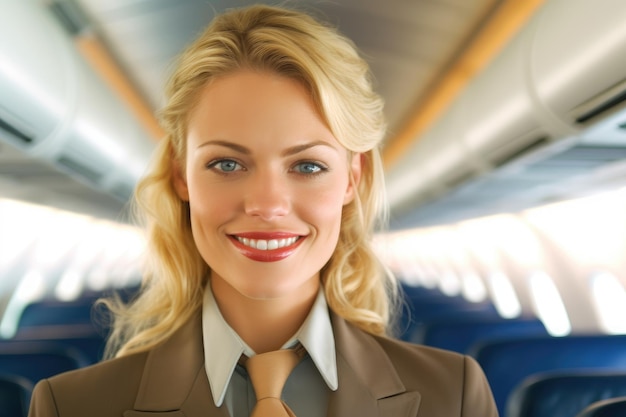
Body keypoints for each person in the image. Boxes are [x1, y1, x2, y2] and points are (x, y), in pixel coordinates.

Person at [28, 4, 498, 417]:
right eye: (227, 163)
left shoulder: (451, 395)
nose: (267, 205)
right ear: (181, 175)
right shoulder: (71, 406)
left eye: (308, 165)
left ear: (352, 179)